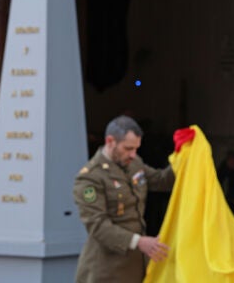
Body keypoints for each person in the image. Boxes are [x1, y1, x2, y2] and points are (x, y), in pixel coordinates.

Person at [73, 115, 175, 283]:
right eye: (128, 148)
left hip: (135, 265)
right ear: (110, 141)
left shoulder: (134, 163)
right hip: (106, 269)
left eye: (136, 149)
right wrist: (139, 242)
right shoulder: (90, 178)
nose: (133, 154)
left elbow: (160, 180)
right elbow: (97, 225)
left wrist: (185, 157)